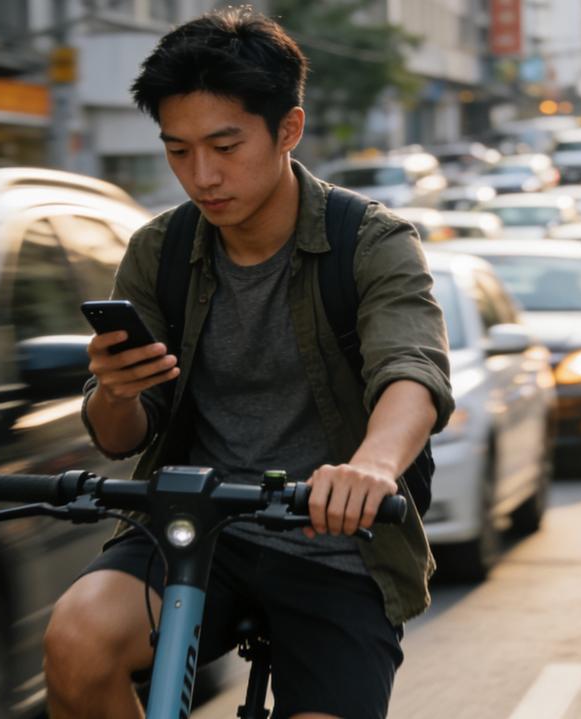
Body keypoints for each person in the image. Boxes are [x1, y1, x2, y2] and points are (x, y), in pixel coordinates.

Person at [41, 8, 453, 719]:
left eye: (225, 145)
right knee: (75, 639)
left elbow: (412, 370)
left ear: (287, 129)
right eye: (178, 151)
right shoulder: (158, 251)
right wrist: (113, 390)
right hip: (191, 531)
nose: (202, 175)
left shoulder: (373, 243)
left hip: (336, 545)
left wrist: (373, 468)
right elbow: (119, 437)